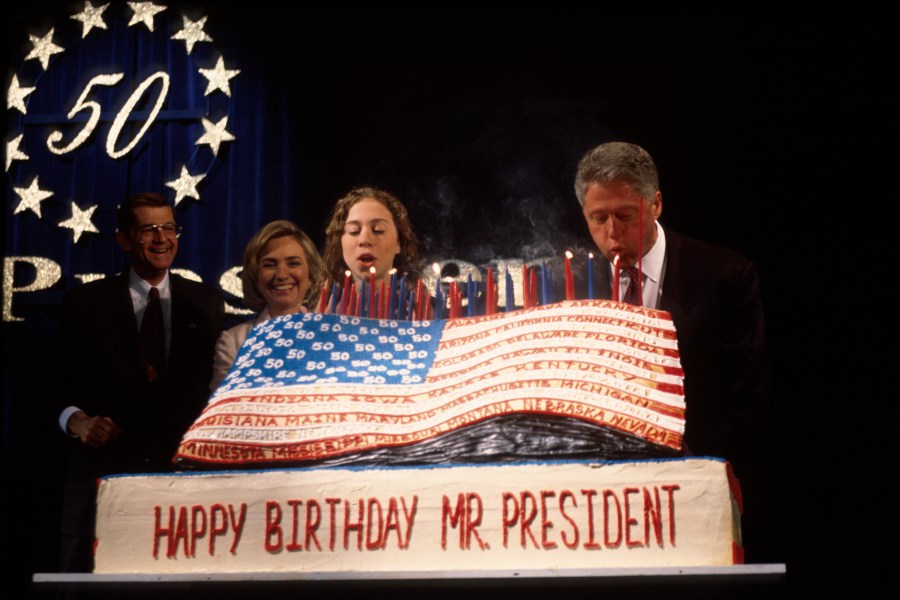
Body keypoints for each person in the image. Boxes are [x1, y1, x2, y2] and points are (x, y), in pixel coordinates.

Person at [574, 141, 770, 557]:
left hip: (700, 491)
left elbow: (745, 401)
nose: (612, 232)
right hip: (600, 502)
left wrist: (708, 484)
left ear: (657, 203)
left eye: (626, 216)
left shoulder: (725, 276)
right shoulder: (571, 283)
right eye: (598, 218)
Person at [54, 192, 224, 571]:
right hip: (102, 478)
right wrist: (77, 421)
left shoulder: (206, 303)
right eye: (148, 229)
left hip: (180, 481)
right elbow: (54, 386)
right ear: (124, 239)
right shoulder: (84, 305)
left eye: (169, 227)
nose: (162, 239)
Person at [210, 220, 325, 390]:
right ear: (255, 276)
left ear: (311, 273)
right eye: (269, 265)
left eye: (293, 263)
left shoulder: (329, 335)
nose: (282, 275)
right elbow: (223, 409)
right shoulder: (233, 342)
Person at [323, 186, 422, 289]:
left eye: (378, 230)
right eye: (354, 231)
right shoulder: (323, 304)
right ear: (339, 243)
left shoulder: (425, 304)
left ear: (399, 242)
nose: (365, 240)